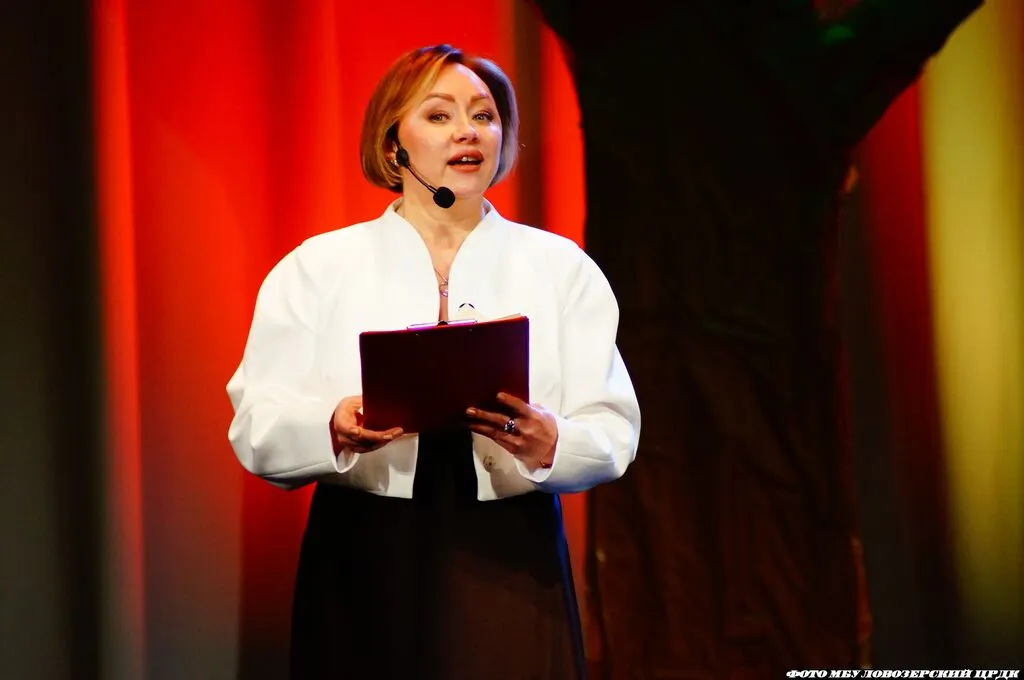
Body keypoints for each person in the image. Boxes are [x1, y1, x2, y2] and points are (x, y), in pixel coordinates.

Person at [526, 0, 984, 677]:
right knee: (766, 600)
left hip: (673, 435)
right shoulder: (795, 60)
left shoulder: (615, 33)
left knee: (672, 601)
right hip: (769, 431)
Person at [226, 43, 640, 680]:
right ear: (394, 143)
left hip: (511, 547)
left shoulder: (560, 267)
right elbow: (256, 426)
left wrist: (552, 441)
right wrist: (333, 425)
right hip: (365, 548)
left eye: (484, 115)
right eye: (440, 115)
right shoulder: (319, 266)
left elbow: (614, 427)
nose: (468, 131)